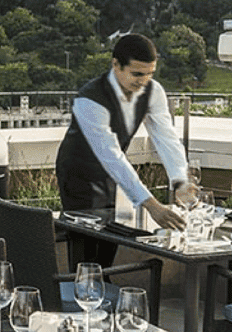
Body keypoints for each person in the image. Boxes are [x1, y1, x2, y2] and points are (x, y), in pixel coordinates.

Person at [57, 33, 196, 266]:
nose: (144, 80)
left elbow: (166, 138)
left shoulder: (153, 91)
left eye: (150, 73)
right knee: (86, 247)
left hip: (113, 176)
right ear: (116, 65)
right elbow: (110, 155)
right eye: (137, 74)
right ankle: (83, 293)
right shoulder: (89, 100)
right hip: (79, 174)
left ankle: (104, 290)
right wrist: (152, 205)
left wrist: (180, 180)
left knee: (111, 239)